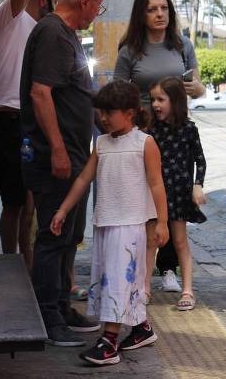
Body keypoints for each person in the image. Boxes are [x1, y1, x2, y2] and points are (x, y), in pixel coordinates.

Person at [50, 80, 169, 366]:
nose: (102, 118)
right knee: (113, 278)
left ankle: (109, 341)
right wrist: (63, 209)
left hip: (130, 225)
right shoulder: (101, 143)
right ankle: (141, 328)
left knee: (117, 279)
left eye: (108, 112)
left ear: (130, 112)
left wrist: (162, 222)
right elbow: (83, 179)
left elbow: (156, 184)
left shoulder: (145, 143)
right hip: (105, 222)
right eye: (100, 112)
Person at [20, 0, 105, 346]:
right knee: (53, 236)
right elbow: (41, 94)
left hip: (74, 156)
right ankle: (47, 316)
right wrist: (56, 148)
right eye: (98, 8)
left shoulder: (66, 35)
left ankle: (60, 304)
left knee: (69, 235)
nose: (95, 14)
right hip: (57, 158)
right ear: (85, 2)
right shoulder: (53, 33)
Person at [114, 0, 206, 293]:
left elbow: (199, 86)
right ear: (142, 14)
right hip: (141, 133)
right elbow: (118, 91)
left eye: (164, 8)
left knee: (171, 200)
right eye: (152, 9)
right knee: (144, 202)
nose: (159, 14)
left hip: (176, 133)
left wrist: (197, 90)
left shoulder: (182, 45)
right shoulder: (129, 50)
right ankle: (135, 267)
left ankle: (168, 269)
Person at [0, 0, 54, 269]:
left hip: (29, 119)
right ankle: (8, 263)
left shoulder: (41, 30)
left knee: (30, 203)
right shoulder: (9, 16)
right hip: (6, 118)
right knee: (14, 202)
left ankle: (28, 267)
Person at [148, 77, 207, 310]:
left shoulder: (189, 129)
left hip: (180, 193)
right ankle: (143, 289)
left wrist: (197, 185)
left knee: (180, 241)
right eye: (153, 99)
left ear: (176, 101)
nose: (155, 104)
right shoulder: (151, 130)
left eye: (160, 99)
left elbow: (200, 160)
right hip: (155, 194)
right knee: (152, 241)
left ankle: (188, 290)